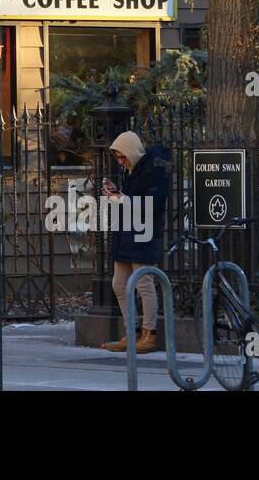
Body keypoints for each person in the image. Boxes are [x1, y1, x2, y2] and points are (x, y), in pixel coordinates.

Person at [98, 130, 170, 354]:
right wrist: (118, 193)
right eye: (118, 158)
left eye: (123, 156)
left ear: (131, 152)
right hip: (128, 234)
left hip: (143, 234)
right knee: (119, 284)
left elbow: (152, 204)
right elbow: (134, 200)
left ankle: (149, 334)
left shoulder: (152, 170)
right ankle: (133, 332)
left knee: (143, 283)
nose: (121, 161)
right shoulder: (134, 171)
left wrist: (120, 198)